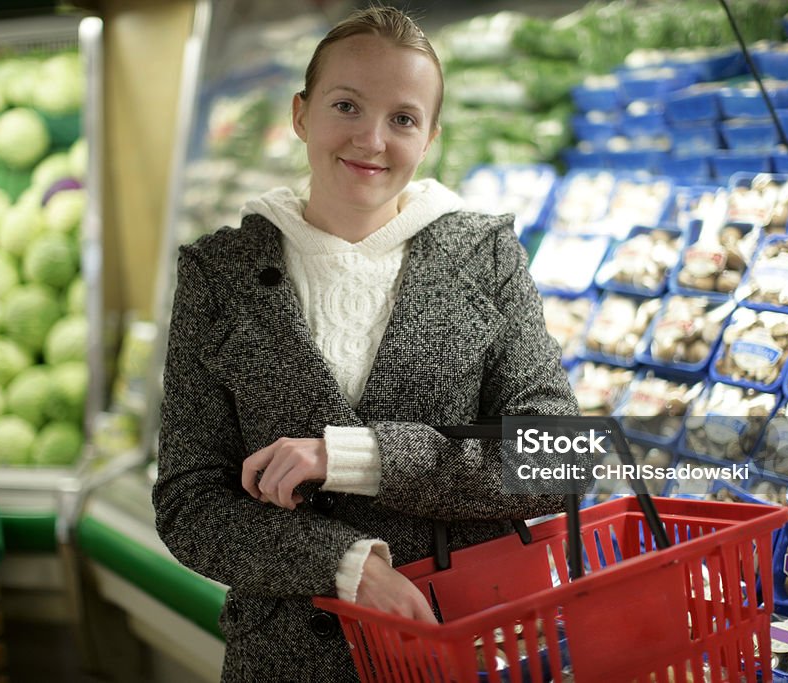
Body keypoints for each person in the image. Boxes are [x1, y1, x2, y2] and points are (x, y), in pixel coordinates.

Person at [153, 6, 579, 681]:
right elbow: (188, 502)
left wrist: (360, 455)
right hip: (287, 659)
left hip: (461, 643)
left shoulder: (484, 254)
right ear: (301, 113)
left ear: (431, 135)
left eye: (403, 119)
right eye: (346, 105)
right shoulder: (219, 273)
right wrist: (346, 565)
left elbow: (560, 456)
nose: (372, 139)